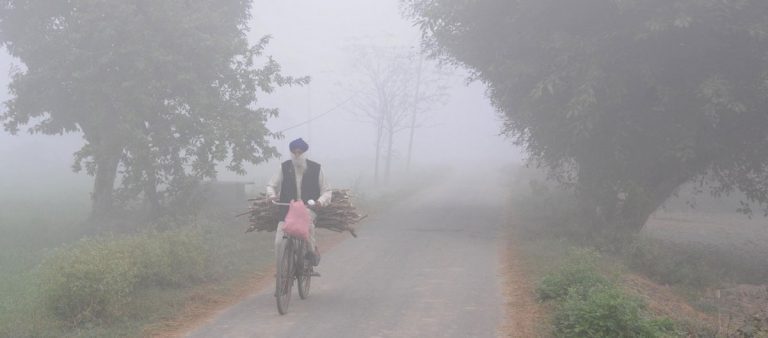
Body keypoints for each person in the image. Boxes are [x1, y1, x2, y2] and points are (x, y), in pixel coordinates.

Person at [266, 138, 332, 267]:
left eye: (299, 152)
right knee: (279, 242)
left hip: (308, 208)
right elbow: (271, 185)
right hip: (287, 210)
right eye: (294, 152)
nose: (297, 155)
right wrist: (272, 195)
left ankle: (311, 253)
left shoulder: (316, 168)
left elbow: (327, 191)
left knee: (307, 229)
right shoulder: (284, 167)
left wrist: (320, 201)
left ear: (304, 153)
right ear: (291, 153)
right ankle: (281, 271)